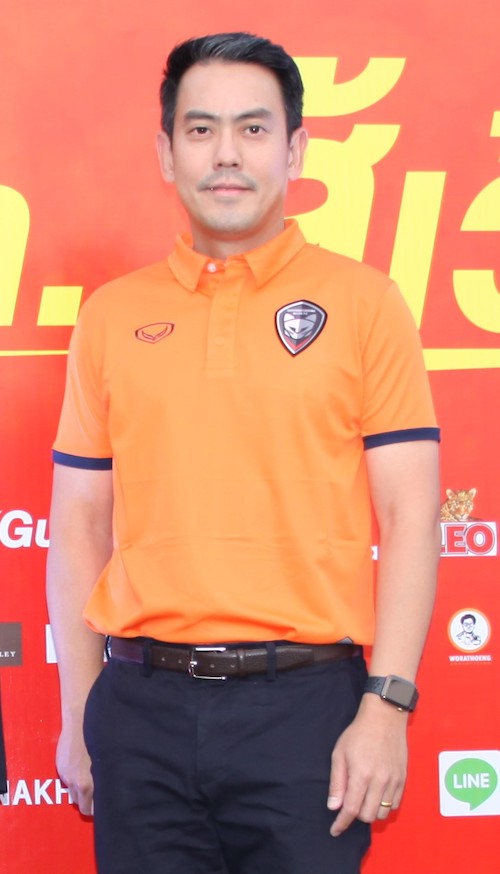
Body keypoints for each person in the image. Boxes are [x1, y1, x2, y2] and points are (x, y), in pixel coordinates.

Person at [46, 32, 441, 874]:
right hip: (140, 712)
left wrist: (387, 706)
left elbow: (411, 514)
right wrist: (79, 711)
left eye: (253, 129)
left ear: (295, 150)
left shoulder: (366, 304)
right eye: (201, 129)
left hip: (307, 713)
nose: (226, 154)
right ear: (167, 152)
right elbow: (78, 522)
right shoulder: (111, 316)